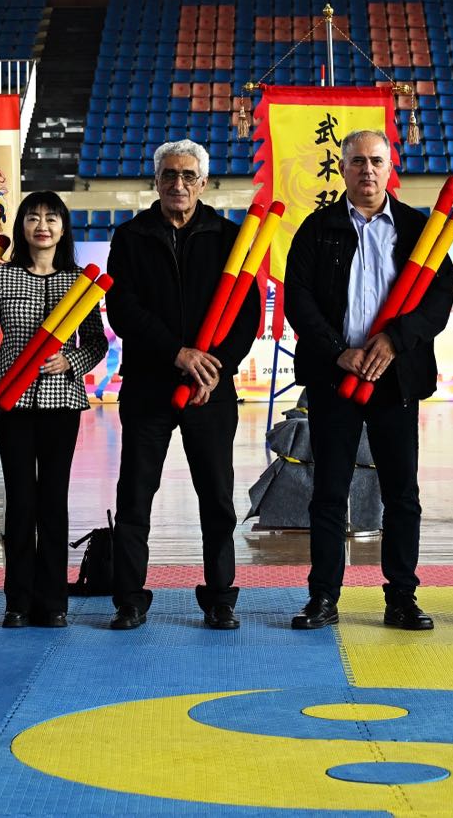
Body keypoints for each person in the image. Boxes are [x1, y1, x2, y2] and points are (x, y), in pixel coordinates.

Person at [283, 130, 453, 631]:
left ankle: (402, 596)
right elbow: (298, 300)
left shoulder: (419, 230)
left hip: (394, 378)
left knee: (401, 494)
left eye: (376, 161)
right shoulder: (317, 229)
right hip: (335, 377)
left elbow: (437, 300)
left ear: (390, 166)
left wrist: (395, 341)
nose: (367, 170)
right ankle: (323, 597)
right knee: (329, 492)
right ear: (342, 169)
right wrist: (339, 352)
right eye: (357, 161)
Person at [104, 139, 260, 631]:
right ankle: (129, 598)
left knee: (216, 497)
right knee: (135, 496)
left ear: (203, 183)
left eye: (188, 175)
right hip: (149, 385)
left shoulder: (230, 237)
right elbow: (123, 309)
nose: (178, 183)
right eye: (169, 174)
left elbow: (247, 314)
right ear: (156, 181)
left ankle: (221, 597)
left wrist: (215, 366)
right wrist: (177, 353)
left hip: (210, 389)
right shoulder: (130, 237)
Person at [0, 192, 107, 629]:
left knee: (53, 501)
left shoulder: (80, 282)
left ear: (64, 228)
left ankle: (53, 601)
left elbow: (97, 342)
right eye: (32, 218)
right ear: (21, 226)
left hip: (62, 403)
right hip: (11, 404)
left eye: (51, 218)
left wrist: (72, 361)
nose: (41, 226)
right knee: (20, 503)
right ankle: (17, 600)